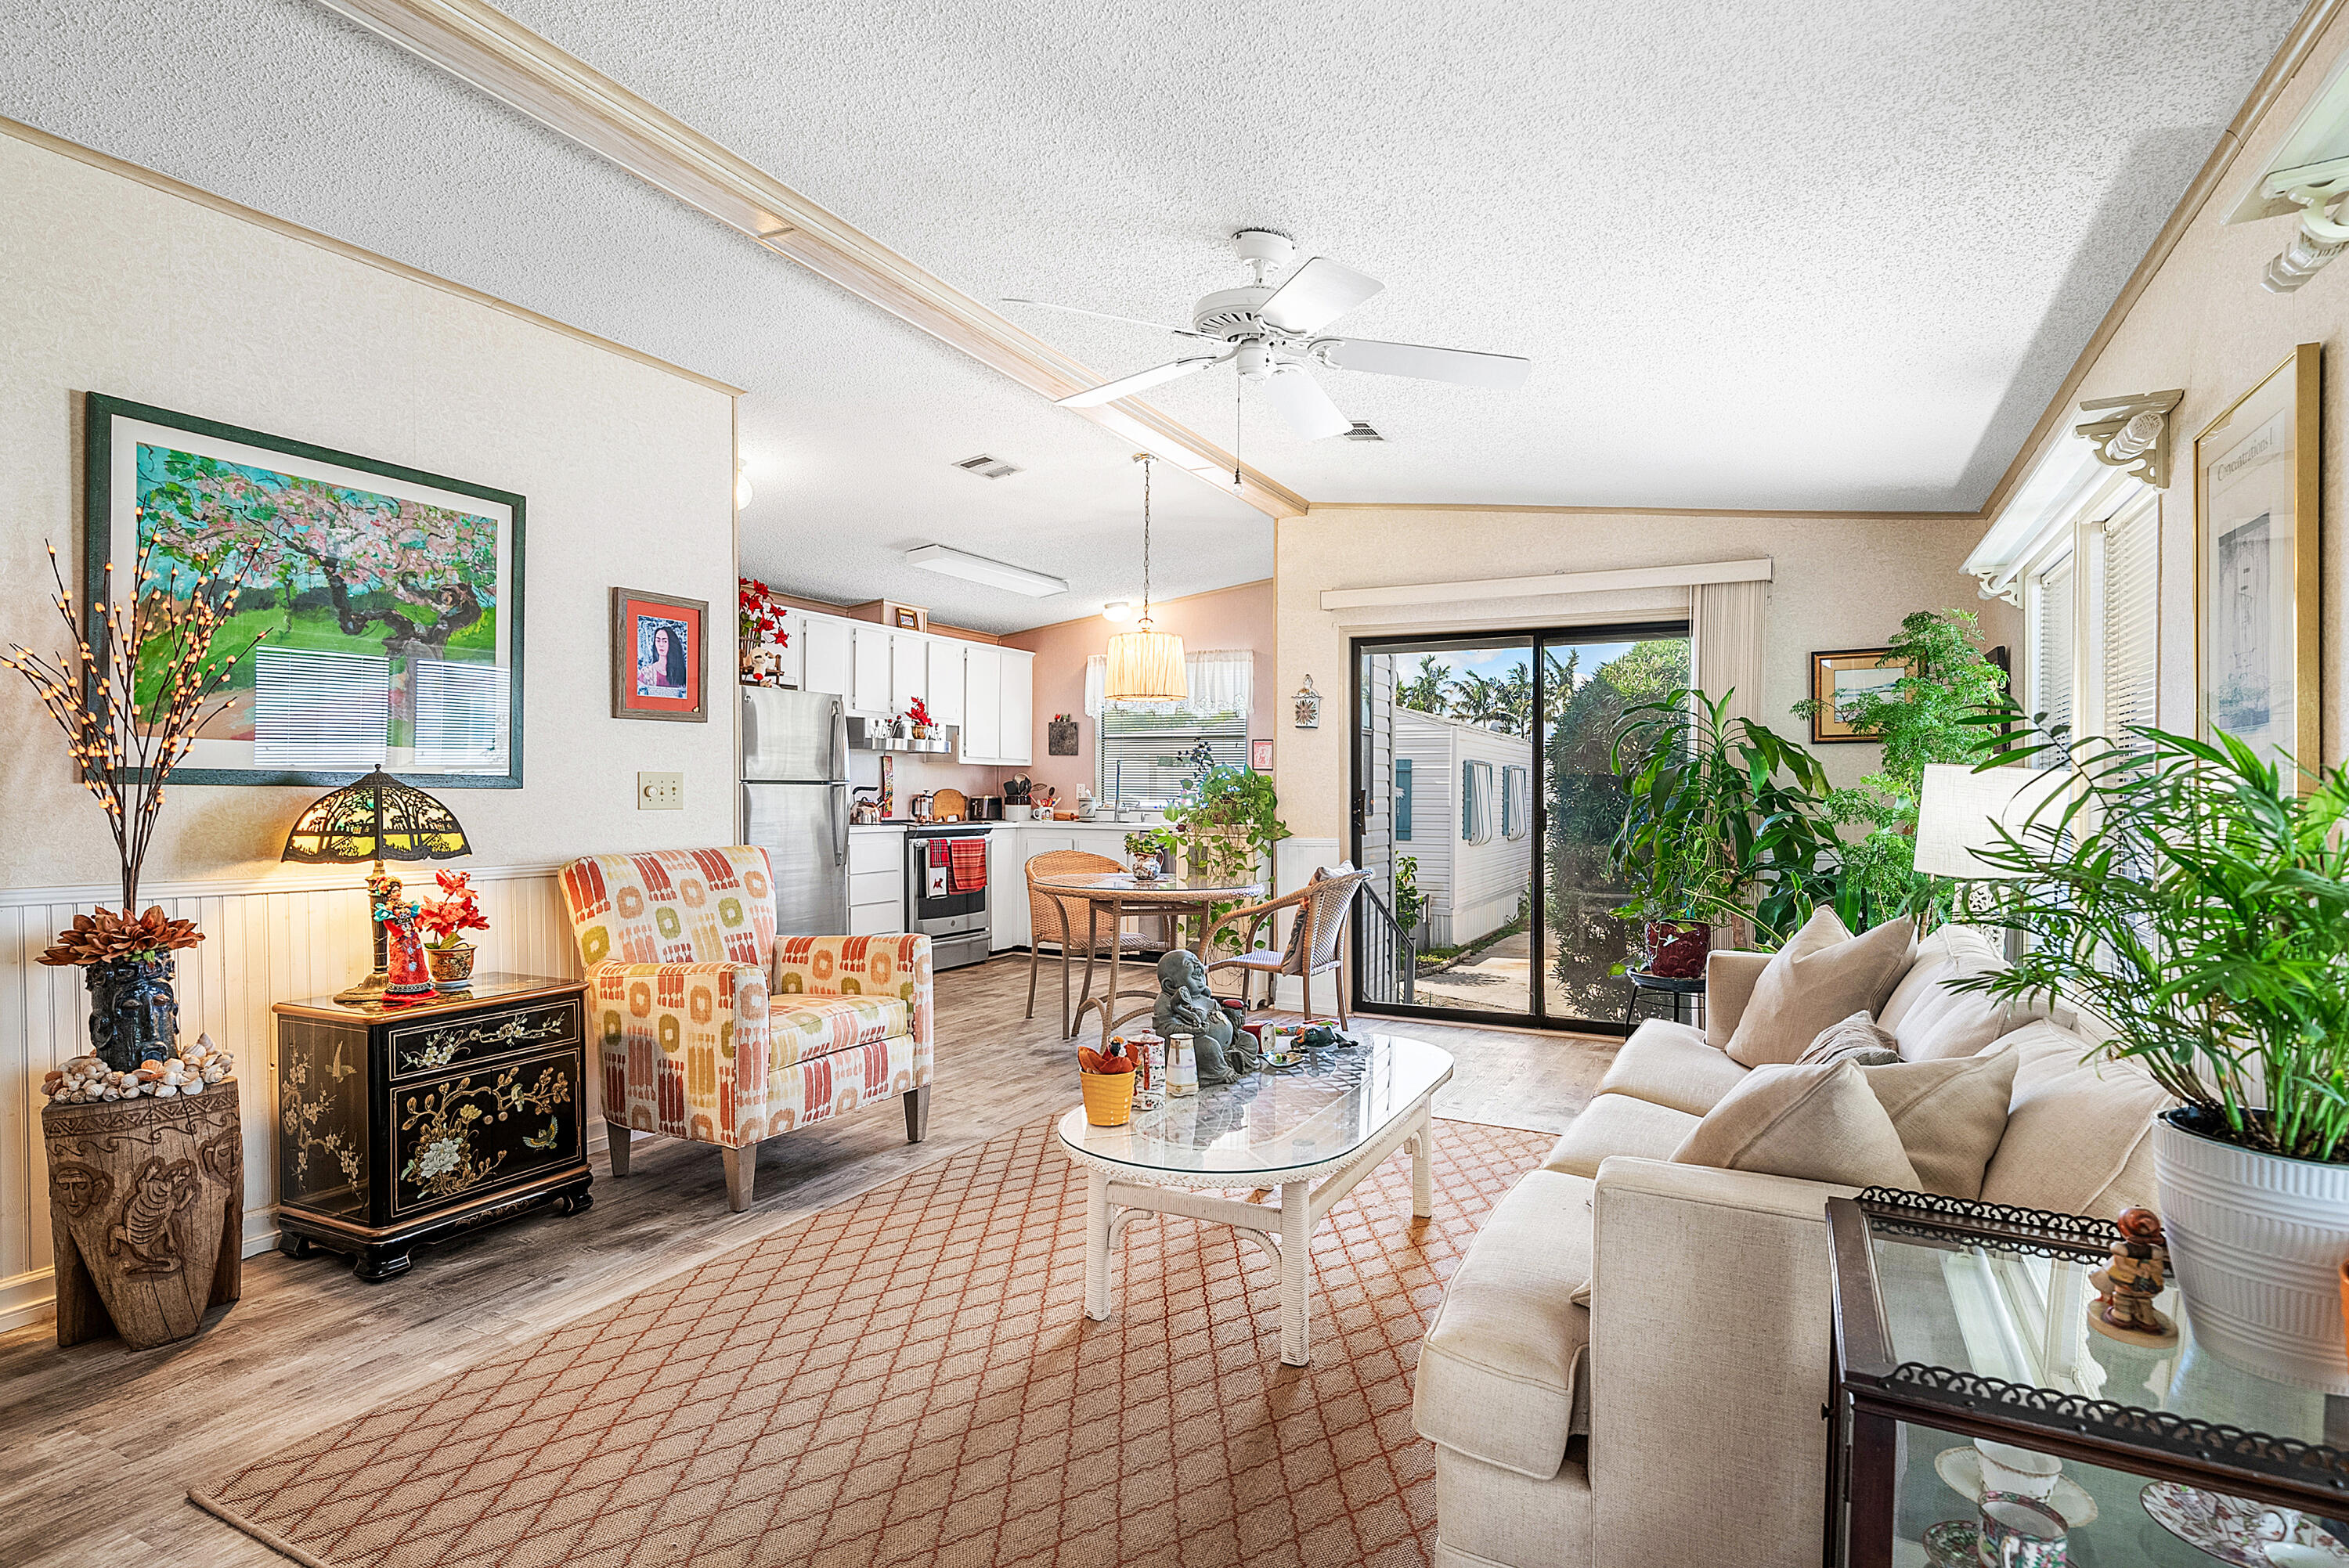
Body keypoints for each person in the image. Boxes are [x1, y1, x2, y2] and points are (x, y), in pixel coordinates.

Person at [637, 622, 687, 696]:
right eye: (658, 640)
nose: (661, 644)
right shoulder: (647, 673)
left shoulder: (681, 673)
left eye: (665, 641)